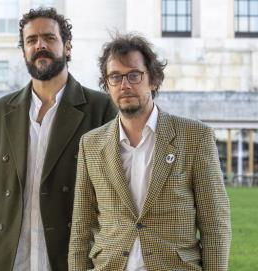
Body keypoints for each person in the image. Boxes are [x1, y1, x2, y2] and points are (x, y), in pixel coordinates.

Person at [0, 7, 117, 271]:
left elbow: (114, 198)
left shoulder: (100, 108)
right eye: (31, 40)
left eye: (49, 38)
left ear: (67, 46)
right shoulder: (1, 111)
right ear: (23, 50)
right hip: (7, 261)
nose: (40, 46)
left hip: (70, 260)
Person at [68, 33, 231, 271]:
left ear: (153, 79)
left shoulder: (195, 137)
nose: (125, 84)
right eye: (115, 77)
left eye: (134, 75)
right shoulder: (90, 144)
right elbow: (82, 226)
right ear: (107, 85)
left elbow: (215, 223)